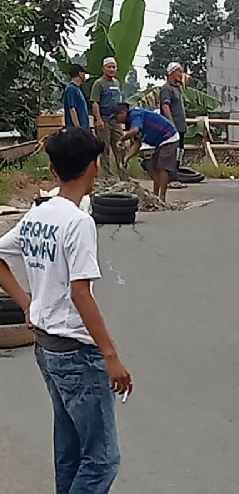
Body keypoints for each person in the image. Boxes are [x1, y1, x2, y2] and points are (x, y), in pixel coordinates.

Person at [0, 127, 132, 493]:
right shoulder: (78, 222)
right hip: (76, 352)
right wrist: (111, 356)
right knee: (103, 459)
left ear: (54, 171)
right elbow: (81, 294)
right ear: (94, 168)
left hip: (47, 348)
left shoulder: (39, 214)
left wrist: (30, 304)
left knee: (70, 449)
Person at [115, 103, 179, 202]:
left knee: (163, 167)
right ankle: (155, 195)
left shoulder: (135, 114)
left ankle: (162, 197)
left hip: (169, 136)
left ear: (123, 113)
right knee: (155, 168)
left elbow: (135, 131)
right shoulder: (131, 123)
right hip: (159, 141)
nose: (117, 120)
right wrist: (126, 158)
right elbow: (137, 144)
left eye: (117, 116)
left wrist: (121, 140)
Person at [90, 57, 125, 178]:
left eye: (113, 67)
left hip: (116, 120)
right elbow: (95, 102)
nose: (111, 69)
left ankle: (123, 173)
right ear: (103, 69)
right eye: (109, 67)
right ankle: (107, 175)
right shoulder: (99, 84)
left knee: (120, 145)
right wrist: (98, 119)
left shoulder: (116, 83)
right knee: (104, 148)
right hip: (104, 119)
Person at [160, 62, 187, 183]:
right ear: (172, 73)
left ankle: (175, 173)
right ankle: (170, 177)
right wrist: (171, 123)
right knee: (172, 151)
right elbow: (165, 106)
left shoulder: (178, 88)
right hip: (173, 126)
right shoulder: (167, 88)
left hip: (180, 126)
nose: (181, 74)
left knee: (179, 151)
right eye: (179, 72)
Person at [63, 64, 89, 129]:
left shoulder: (78, 88)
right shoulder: (71, 89)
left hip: (83, 128)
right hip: (75, 130)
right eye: (84, 73)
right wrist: (77, 127)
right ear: (80, 73)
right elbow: (72, 109)